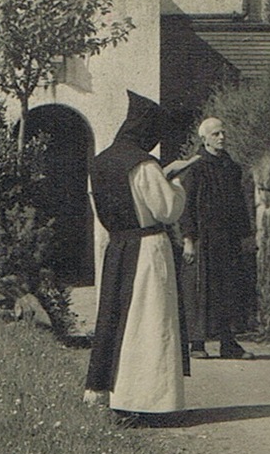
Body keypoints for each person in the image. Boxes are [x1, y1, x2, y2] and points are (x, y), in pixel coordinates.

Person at [83, 91, 194, 424]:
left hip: (118, 247)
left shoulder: (100, 161)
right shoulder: (144, 165)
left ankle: (119, 397)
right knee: (150, 324)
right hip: (147, 249)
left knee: (118, 321)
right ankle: (152, 401)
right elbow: (167, 209)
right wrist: (176, 184)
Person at [172, 117, 257, 360]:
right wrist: (188, 239)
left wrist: (245, 236)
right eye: (216, 134)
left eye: (223, 133)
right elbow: (185, 206)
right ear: (205, 138)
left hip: (227, 240)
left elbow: (240, 204)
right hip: (202, 239)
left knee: (229, 290)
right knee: (199, 289)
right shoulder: (195, 168)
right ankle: (197, 344)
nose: (221, 138)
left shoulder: (231, 167)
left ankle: (228, 343)